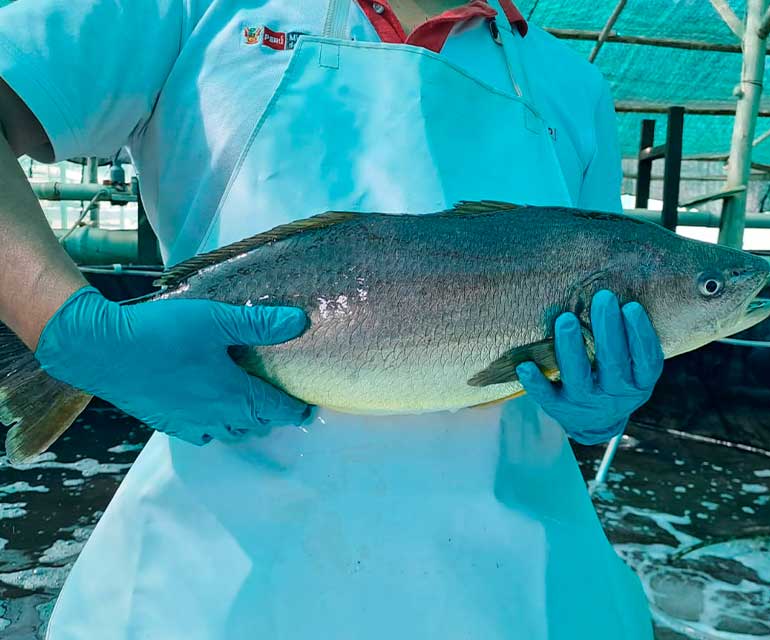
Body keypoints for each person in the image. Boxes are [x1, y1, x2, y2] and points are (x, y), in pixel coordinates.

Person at [0, 0, 665, 637]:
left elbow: (588, 322)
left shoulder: (572, 86)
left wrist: (595, 401)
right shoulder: (189, 7)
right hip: (215, 573)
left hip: (508, 584)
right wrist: (63, 323)